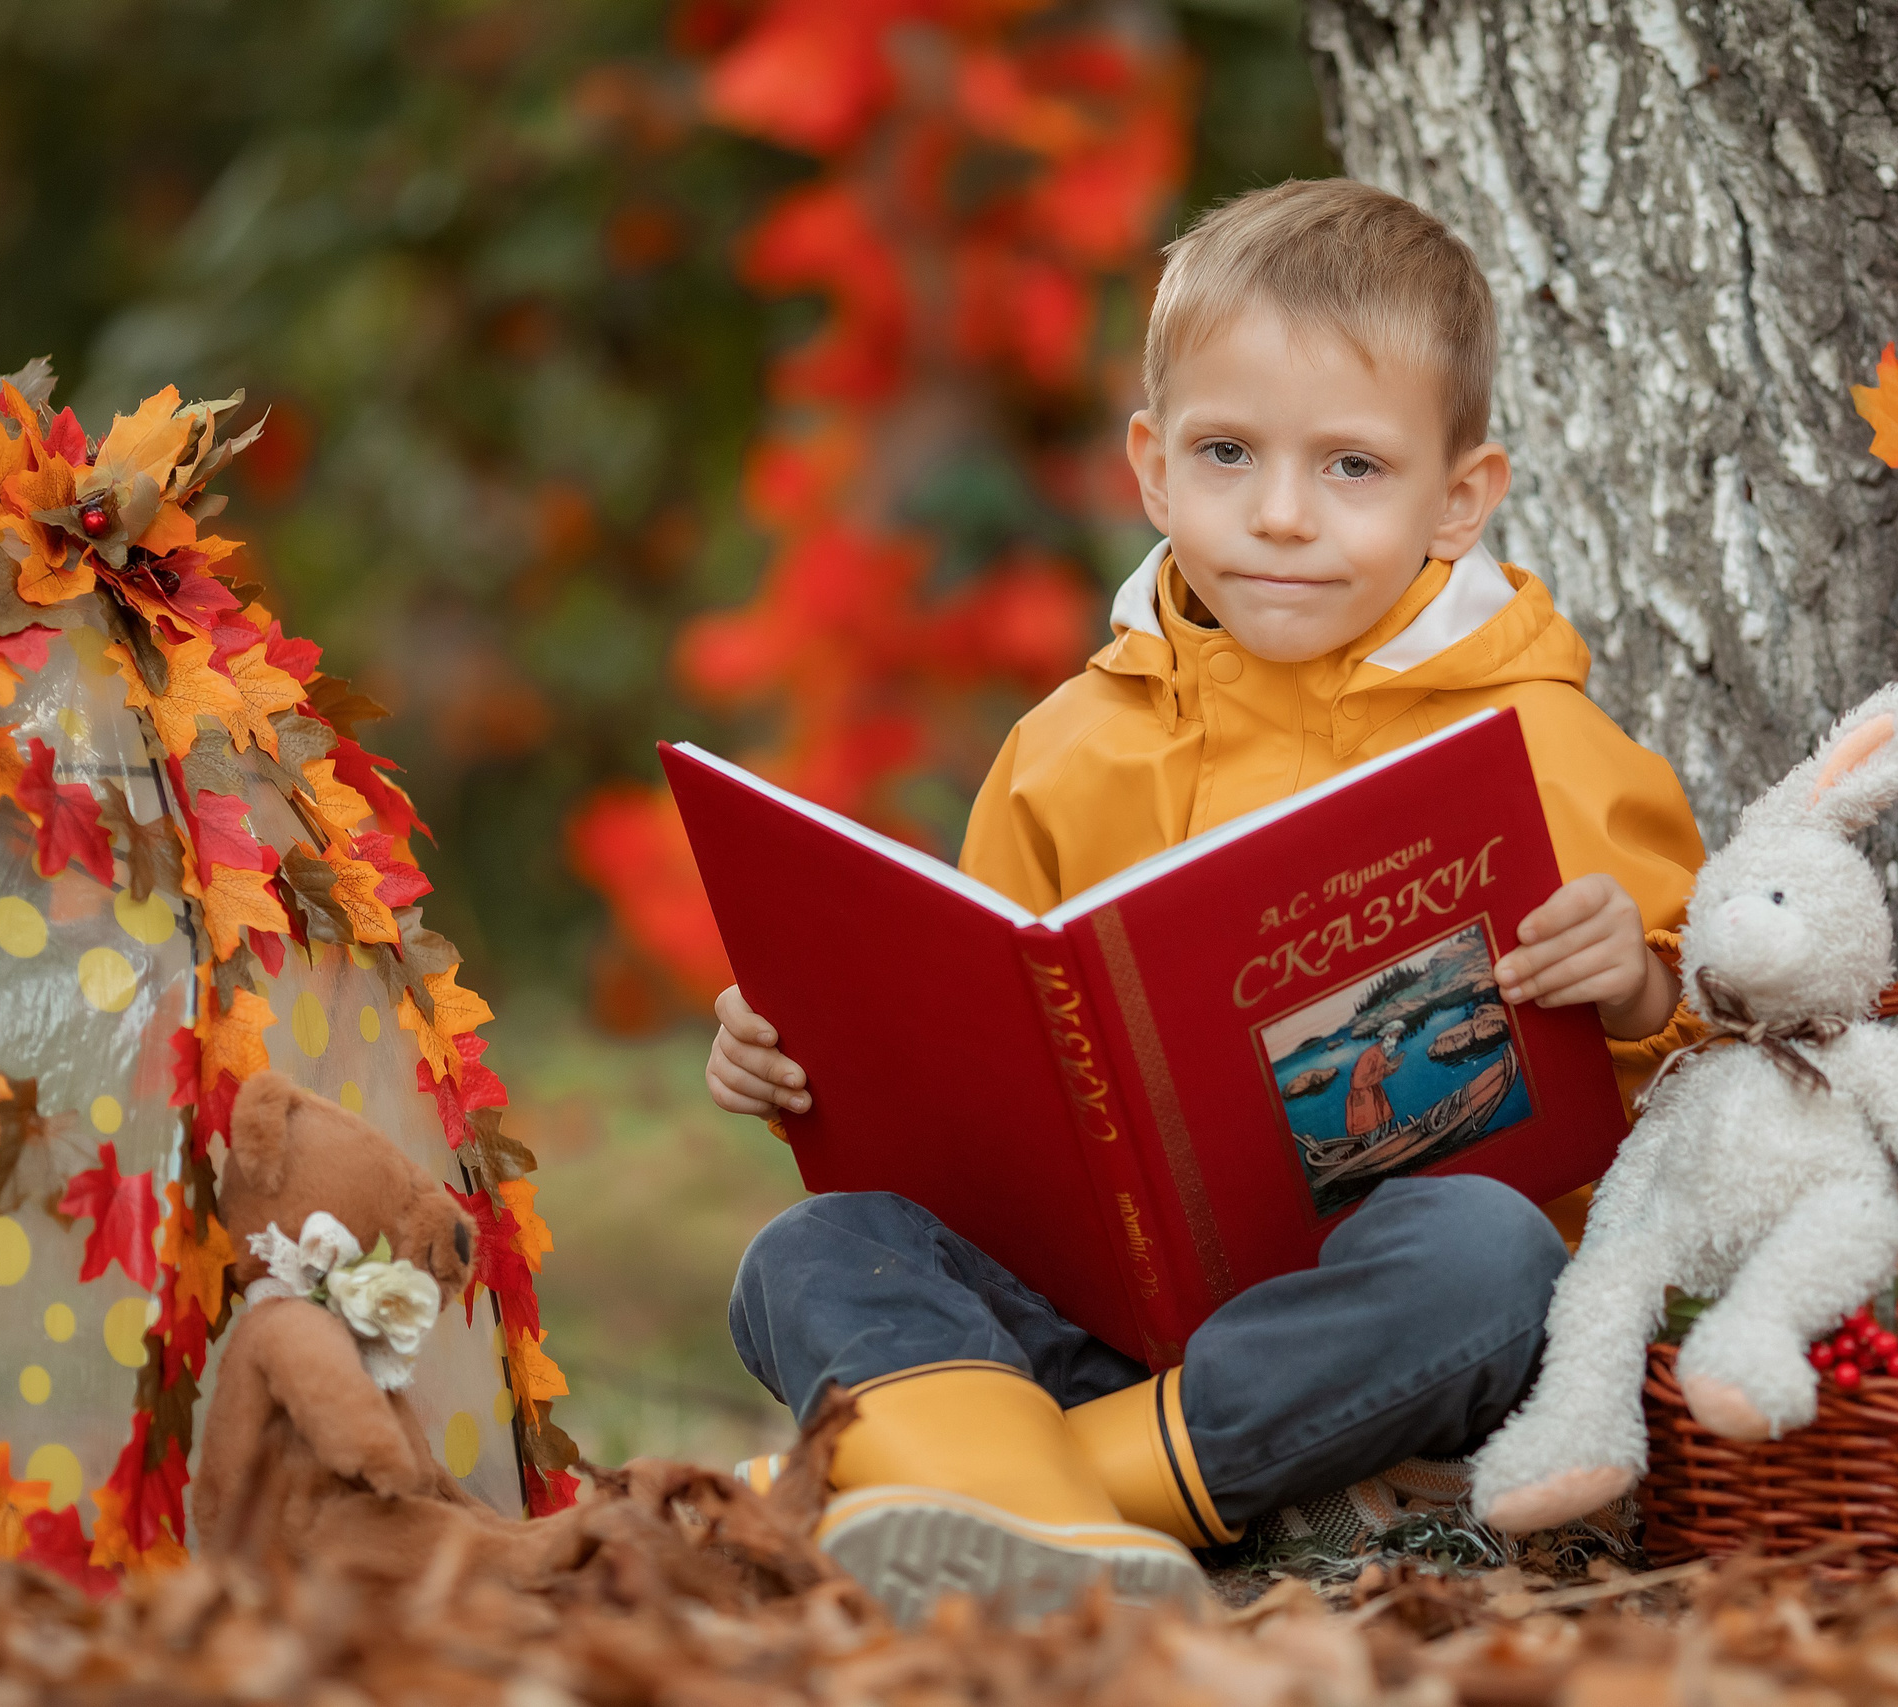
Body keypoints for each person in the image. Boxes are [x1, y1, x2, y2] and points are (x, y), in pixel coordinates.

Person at [707, 178, 1708, 1622]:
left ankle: (1026, 1499)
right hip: (1097, 1312)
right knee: (808, 1252)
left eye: (1353, 467)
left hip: (1376, 1339)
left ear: (1459, 497)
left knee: (1493, 1259)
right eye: (1229, 452)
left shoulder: (1547, 747)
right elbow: (983, 1054)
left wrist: (1638, 986)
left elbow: (1710, 1070)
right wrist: (805, 1061)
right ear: (1155, 469)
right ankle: (1053, 1501)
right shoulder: (1065, 746)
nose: (1283, 514)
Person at [1344, 1021, 1409, 1140]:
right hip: (1363, 1097)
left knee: (1385, 1124)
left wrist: (1392, 1067)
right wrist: (1385, 1070)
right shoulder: (1371, 1054)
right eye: (1396, 1034)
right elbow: (1358, 1082)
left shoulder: (1381, 1052)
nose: (1397, 1038)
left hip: (1375, 1093)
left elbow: (1380, 1073)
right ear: (1388, 1035)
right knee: (1372, 1130)